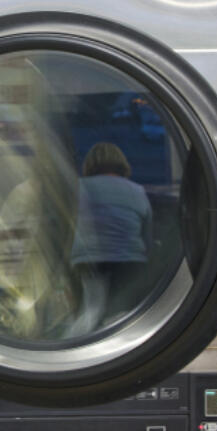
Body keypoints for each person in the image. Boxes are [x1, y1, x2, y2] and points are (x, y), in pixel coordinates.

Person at [69, 141, 154, 330]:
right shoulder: (138, 191)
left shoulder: (78, 188)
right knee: (125, 319)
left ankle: (79, 350)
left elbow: (66, 229)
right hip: (131, 263)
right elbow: (147, 237)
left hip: (89, 262)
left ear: (90, 164)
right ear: (122, 164)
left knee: (90, 313)